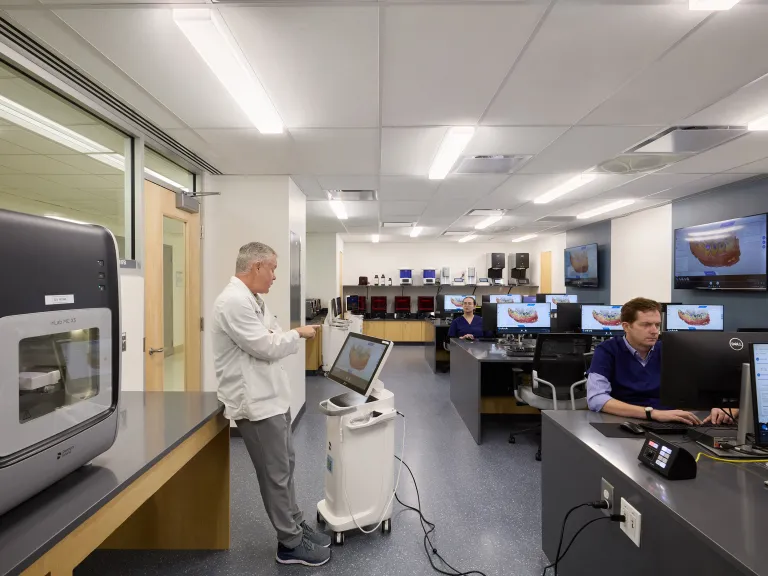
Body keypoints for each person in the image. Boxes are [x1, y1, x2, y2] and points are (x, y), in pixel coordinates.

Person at [212, 242, 332, 567]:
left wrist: (285, 337)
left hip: (272, 399)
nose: (276, 276)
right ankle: (289, 544)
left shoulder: (253, 300)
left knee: (286, 468)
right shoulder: (233, 302)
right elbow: (267, 345)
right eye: (273, 269)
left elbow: (272, 336)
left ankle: (296, 525)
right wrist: (297, 334)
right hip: (256, 404)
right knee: (275, 475)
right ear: (256, 267)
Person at [586, 297, 734, 426]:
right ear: (626, 326)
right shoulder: (607, 350)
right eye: (646, 325)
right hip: (623, 420)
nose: (654, 330)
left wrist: (726, 406)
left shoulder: (671, 350)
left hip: (669, 420)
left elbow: (704, 388)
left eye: (657, 325)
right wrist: (651, 413)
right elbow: (597, 398)